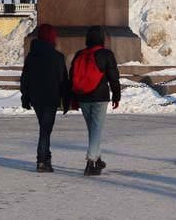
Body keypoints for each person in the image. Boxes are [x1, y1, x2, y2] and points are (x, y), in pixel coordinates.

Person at [69, 25, 120, 176]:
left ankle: (98, 160)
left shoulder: (79, 54)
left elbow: (72, 77)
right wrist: (116, 96)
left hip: (83, 97)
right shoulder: (106, 54)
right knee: (96, 130)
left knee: (93, 130)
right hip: (100, 97)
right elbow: (114, 78)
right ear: (102, 39)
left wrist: (74, 97)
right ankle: (90, 162)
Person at [19, 23, 69, 172]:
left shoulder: (31, 56)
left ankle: (46, 158)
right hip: (51, 98)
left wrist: (25, 98)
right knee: (45, 130)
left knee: (44, 128)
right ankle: (42, 160)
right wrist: (66, 101)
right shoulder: (58, 57)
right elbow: (63, 81)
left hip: (36, 98)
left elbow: (25, 79)